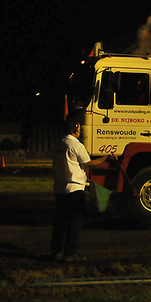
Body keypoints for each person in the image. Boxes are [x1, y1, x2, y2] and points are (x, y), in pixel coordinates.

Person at [50, 112, 111, 262]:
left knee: (60, 222)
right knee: (75, 221)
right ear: (75, 128)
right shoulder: (76, 145)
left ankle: (56, 251)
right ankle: (70, 253)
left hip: (60, 188)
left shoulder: (57, 145)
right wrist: (106, 157)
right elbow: (88, 163)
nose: (80, 130)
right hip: (74, 189)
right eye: (79, 128)